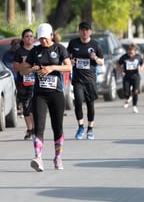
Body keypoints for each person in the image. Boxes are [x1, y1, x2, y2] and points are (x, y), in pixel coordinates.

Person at [20, 23, 72, 172]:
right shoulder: (35, 51)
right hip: (40, 94)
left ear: (52, 35)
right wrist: (31, 68)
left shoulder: (59, 49)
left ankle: (58, 157)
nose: (43, 42)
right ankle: (38, 158)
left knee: (57, 127)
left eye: (45, 38)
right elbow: (23, 71)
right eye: (40, 39)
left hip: (56, 93)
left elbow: (69, 67)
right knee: (39, 127)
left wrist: (53, 67)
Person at [67, 21, 104, 140]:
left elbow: (102, 62)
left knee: (90, 104)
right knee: (78, 101)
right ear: (79, 31)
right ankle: (81, 127)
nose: (84, 32)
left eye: (87, 30)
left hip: (90, 79)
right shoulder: (73, 43)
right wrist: (70, 62)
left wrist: (95, 58)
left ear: (90, 32)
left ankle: (90, 129)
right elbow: (67, 58)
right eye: (82, 30)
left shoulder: (95, 45)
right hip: (78, 79)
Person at [13, 29, 35, 140]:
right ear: (23, 38)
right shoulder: (19, 52)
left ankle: (35, 129)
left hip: (36, 82)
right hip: (23, 82)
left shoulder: (37, 50)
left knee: (34, 106)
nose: (29, 38)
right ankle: (29, 129)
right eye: (27, 36)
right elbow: (16, 68)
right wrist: (25, 63)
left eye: (31, 36)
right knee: (26, 106)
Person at [116, 43, 144, 113]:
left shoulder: (138, 57)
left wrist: (140, 69)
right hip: (126, 77)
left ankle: (134, 106)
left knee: (135, 92)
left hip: (136, 77)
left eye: (132, 53)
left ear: (135, 52)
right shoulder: (124, 57)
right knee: (126, 92)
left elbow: (143, 64)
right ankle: (128, 98)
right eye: (129, 53)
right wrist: (121, 71)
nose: (130, 54)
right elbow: (118, 64)